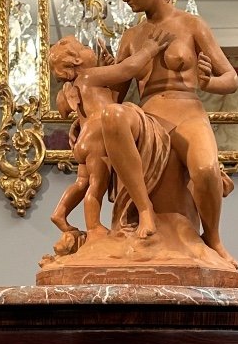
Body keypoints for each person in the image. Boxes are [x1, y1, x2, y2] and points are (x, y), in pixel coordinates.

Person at [108, 0, 238, 266]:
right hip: (151, 117)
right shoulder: (131, 37)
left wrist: (209, 82)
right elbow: (115, 95)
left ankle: (213, 239)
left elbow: (232, 78)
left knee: (207, 169)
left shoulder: (192, 25)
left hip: (188, 111)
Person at [47, 32, 172, 254]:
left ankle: (60, 212)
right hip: (97, 134)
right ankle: (94, 227)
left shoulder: (70, 88)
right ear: (77, 61)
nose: (90, 49)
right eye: (85, 46)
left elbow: (94, 104)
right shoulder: (89, 76)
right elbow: (127, 70)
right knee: (96, 185)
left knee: (82, 182)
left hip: (84, 139)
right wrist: (150, 50)